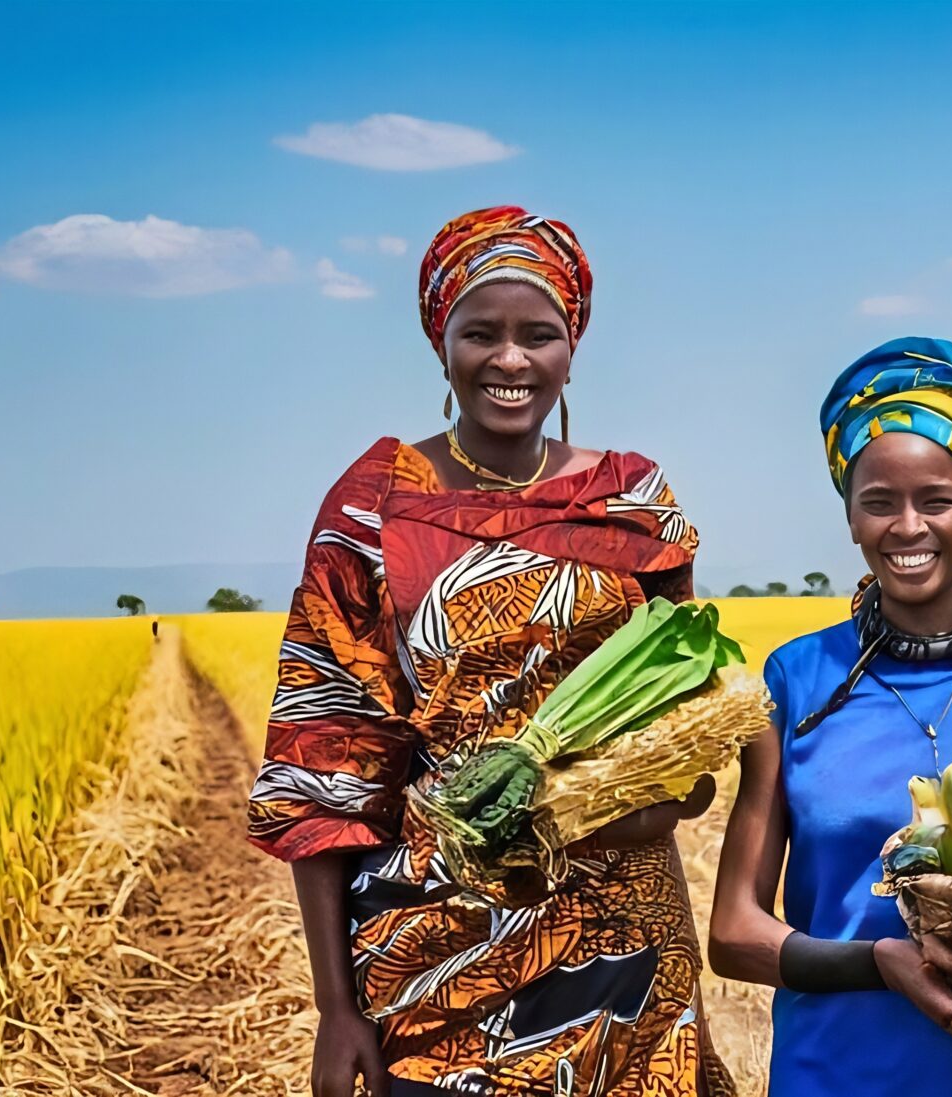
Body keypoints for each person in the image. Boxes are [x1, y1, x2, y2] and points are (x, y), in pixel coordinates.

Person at [247, 206, 733, 1096]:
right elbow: (326, 762)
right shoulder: (374, 507)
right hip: (441, 961)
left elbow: (691, 707)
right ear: (443, 343)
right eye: (482, 333)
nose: (511, 360)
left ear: (571, 346)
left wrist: (657, 795)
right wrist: (335, 1007)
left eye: (537, 335)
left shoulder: (631, 497)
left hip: (628, 952)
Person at [709, 337, 952, 1097]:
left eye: (939, 500)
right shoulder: (794, 680)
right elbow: (732, 932)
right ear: (851, 518)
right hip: (833, 1071)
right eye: (879, 502)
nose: (908, 526)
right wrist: (880, 964)